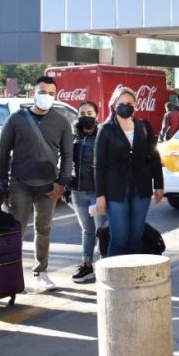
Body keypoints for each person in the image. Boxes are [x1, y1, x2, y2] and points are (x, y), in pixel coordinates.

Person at [0, 76, 73, 291]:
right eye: (42, 92)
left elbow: (68, 155)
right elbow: (3, 153)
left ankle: (41, 272)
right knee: (16, 231)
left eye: (51, 93)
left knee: (43, 229)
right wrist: (1, 185)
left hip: (49, 186)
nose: (46, 96)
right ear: (33, 93)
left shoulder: (62, 122)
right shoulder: (16, 119)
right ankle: (10, 274)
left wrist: (62, 183)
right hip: (19, 184)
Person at [94, 88, 164, 257]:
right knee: (119, 239)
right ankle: (114, 273)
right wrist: (100, 195)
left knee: (135, 238)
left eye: (129, 103)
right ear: (114, 105)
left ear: (135, 106)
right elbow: (99, 164)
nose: (125, 106)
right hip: (115, 191)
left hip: (141, 189)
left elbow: (154, 157)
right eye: (121, 103)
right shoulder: (106, 129)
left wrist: (159, 185)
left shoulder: (144, 126)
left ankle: (133, 272)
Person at [69, 101, 106, 283]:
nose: (86, 116)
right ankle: (87, 265)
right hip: (77, 191)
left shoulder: (103, 135)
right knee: (87, 230)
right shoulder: (72, 136)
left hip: (96, 191)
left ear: (96, 115)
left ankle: (106, 266)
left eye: (89, 113)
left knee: (102, 230)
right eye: (82, 113)